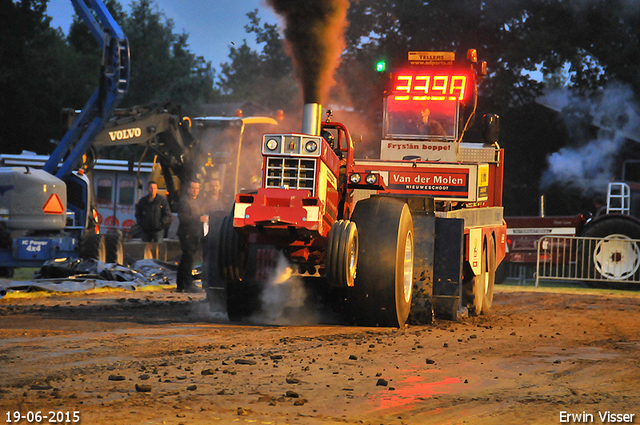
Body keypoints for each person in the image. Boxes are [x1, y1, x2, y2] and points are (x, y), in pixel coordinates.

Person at [177, 180, 208, 293]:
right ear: (189, 189)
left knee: (186, 258)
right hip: (186, 233)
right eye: (193, 188)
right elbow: (183, 217)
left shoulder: (197, 202)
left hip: (194, 233)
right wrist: (198, 219)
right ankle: (187, 284)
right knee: (188, 259)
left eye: (197, 188)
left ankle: (181, 285)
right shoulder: (185, 202)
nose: (195, 190)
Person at [135, 181, 172, 260]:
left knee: (158, 251)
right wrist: (141, 223)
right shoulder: (143, 201)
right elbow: (138, 213)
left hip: (158, 230)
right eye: (151, 188)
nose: (152, 190)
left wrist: (161, 224)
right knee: (145, 250)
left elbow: (167, 214)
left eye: (154, 188)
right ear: (147, 189)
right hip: (146, 230)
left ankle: (158, 265)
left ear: (157, 189)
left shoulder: (162, 200)